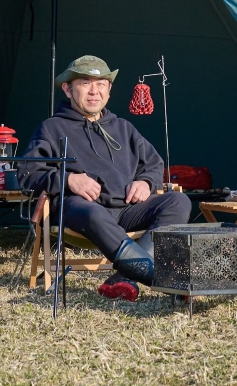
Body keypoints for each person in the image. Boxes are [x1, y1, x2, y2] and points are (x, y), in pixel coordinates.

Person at [19, 54, 190, 301]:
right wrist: (68, 180)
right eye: (85, 83)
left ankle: (123, 278)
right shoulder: (51, 128)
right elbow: (28, 174)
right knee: (92, 212)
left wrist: (146, 182)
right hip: (81, 210)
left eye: (101, 85)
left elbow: (153, 163)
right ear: (68, 89)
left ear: (109, 90)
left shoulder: (124, 127)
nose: (94, 91)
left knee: (178, 201)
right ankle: (167, 281)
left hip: (127, 210)